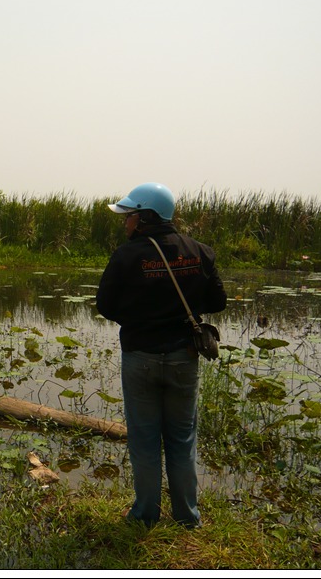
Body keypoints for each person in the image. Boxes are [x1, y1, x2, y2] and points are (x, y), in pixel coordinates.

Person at [95, 182, 227, 529]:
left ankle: (145, 515)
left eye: (130, 216)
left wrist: (140, 319)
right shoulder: (199, 251)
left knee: (144, 439)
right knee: (182, 440)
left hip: (140, 357)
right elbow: (217, 303)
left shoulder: (127, 255)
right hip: (185, 357)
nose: (126, 223)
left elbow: (105, 306)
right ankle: (187, 518)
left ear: (145, 217)